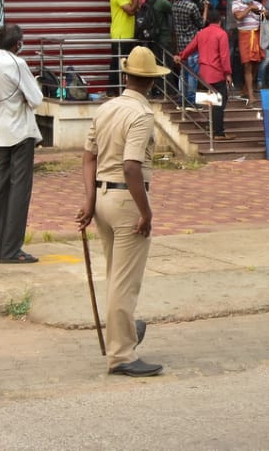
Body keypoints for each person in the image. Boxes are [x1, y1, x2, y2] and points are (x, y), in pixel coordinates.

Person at [75, 46, 171, 378]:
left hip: (103, 197)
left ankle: (123, 331)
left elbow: (88, 157)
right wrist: (146, 212)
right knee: (125, 282)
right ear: (152, 82)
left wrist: (89, 200)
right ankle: (121, 354)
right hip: (127, 200)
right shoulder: (141, 115)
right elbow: (132, 166)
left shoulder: (106, 108)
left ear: (126, 76)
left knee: (116, 274)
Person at [0, 23, 43, 264]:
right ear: (17, 43)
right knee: (19, 190)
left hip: (1, 132)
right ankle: (11, 250)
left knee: (1, 189)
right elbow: (36, 98)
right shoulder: (17, 64)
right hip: (20, 132)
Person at [176, 10, 232, 141]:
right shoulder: (221, 34)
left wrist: (181, 56)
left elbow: (190, 47)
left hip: (204, 74)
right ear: (220, 20)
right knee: (220, 101)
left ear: (208, 21)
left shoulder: (201, 33)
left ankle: (212, 126)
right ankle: (218, 132)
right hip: (217, 73)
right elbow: (224, 56)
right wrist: (228, 73)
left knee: (213, 101)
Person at [171, 0, 208, 109]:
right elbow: (201, 23)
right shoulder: (192, 6)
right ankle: (191, 101)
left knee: (183, 74)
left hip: (181, 45)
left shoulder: (174, 5)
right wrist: (206, 9)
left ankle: (181, 100)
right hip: (192, 45)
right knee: (192, 74)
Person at [109, 0, 143, 96]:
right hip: (120, 35)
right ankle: (112, 90)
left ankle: (120, 89)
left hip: (127, 34)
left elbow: (137, 8)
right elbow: (130, 11)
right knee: (117, 63)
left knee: (124, 64)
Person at [232, 0, 266, 103]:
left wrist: (260, 11)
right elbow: (239, 16)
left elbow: (267, 17)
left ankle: (245, 90)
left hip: (256, 35)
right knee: (247, 65)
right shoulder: (236, 4)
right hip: (244, 36)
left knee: (256, 64)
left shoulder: (258, 4)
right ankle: (251, 96)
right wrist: (250, 8)